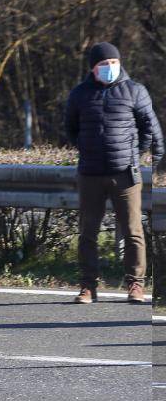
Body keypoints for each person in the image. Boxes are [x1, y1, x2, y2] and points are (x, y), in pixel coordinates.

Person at [63, 42, 161, 304]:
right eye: (103, 64)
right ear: (93, 68)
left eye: (113, 63)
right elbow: (70, 129)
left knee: (133, 231)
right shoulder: (79, 94)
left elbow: (150, 128)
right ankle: (87, 287)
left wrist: (134, 154)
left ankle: (136, 285)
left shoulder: (135, 91)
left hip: (125, 174)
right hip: (90, 173)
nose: (110, 68)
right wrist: (87, 149)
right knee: (88, 232)